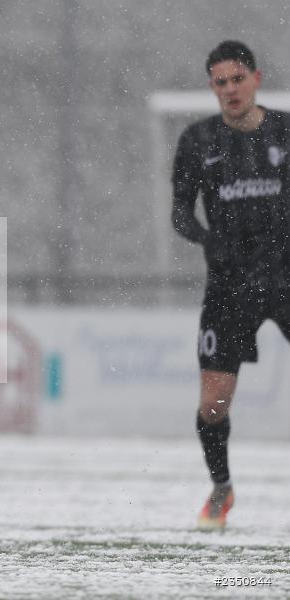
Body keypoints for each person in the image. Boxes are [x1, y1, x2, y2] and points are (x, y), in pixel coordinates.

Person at [172, 40, 290, 530]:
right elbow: (180, 212)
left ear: (256, 79)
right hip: (230, 285)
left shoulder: (286, 131)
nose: (230, 90)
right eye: (220, 82)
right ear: (212, 88)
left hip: (286, 276)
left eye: (237, 79)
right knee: (213, 403)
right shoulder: (198, 141)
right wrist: (206, 239)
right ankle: (221, 489)